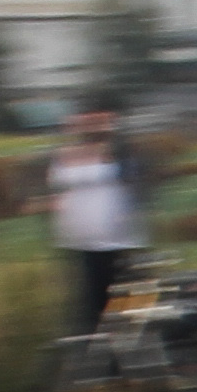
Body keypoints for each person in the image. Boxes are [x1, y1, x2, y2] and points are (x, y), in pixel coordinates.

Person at [36, 100, 146, 338]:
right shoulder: (62, 155)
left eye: (98, 122)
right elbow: (50, 186)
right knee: (89, 299)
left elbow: (135, 185)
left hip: (115, 235)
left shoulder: (120, 152)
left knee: (119, 294)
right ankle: (96, 345)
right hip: (79, 238)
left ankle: (122, 342)